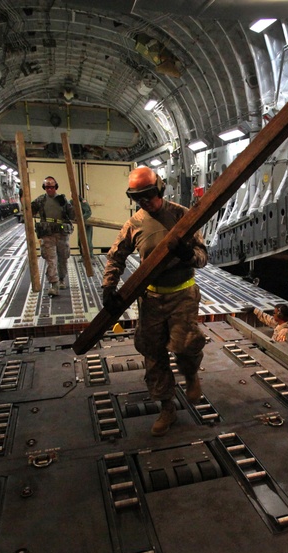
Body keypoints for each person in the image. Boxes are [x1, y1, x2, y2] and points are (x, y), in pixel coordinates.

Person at [101, 166, 208, 436]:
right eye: (138, 197)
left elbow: (203, 257)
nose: (145, 201)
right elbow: (116, 256)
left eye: (148, 194)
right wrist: (109, 287)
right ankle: (166, 408)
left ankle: (191, 373)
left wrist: (188, 255)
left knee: (185, 344)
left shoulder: (182, 216)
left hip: (182, 295)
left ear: (159, 188)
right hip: (151, 298)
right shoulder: (134, 224)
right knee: (152, 353)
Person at [30, 176, 74, 296]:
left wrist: (73, 201)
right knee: (51, 260)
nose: (50, 189)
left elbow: (72, 215)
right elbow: (29, 211)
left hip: (61, 234)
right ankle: (53, 284)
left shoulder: (62, 200)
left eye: (52, 187)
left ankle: (61, 279)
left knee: (63, 258)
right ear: (44, 187)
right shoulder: (40, 200)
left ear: (56, 187)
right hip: (47, 234)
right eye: (47, 187)